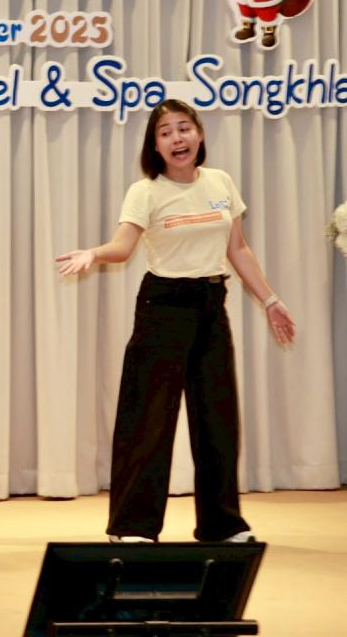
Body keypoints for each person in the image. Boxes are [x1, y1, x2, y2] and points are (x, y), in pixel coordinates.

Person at [56, 98, 295, 543]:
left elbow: (238, 248)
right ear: (155, 145)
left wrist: (270, 300)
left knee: (218, 419)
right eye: (165, 133)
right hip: (163, 306)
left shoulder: (220, 182)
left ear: (199, 134)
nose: (177, 138)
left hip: (212, 303)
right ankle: (132, 527)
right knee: (147, 419)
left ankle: (222, 525)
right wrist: (93, 253)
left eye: (184, 128)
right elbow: (123, 247)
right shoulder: (146, 191)